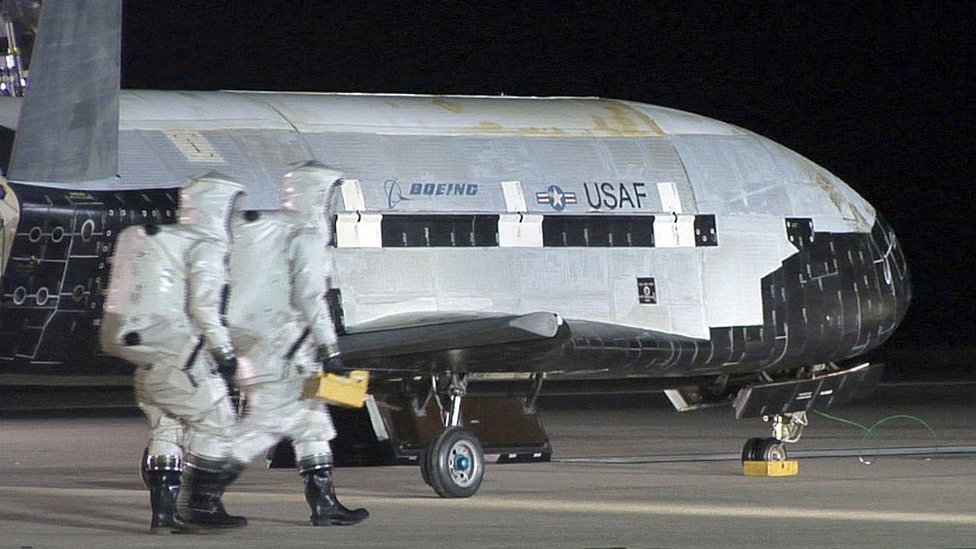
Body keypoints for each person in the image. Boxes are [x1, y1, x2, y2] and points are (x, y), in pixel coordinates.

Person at [101, 173, 246, 534]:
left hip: (145, 355)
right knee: (221, 426)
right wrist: (225, 353)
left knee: (168, 427)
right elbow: (204, 307)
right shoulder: (205, 245)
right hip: (181, 355)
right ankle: (203, 505)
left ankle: (163, 515)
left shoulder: (163, 240)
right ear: (219, 207)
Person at [226, 162, 368, 526]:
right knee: (262, 428)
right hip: (283, 353)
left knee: (311, 426)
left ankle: (325, 505)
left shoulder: (268, 233)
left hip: (279, 349)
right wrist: (331, 349)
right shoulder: (303, 235)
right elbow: (310, 298)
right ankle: (202, 490)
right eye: (329, 196)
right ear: (317, 195)